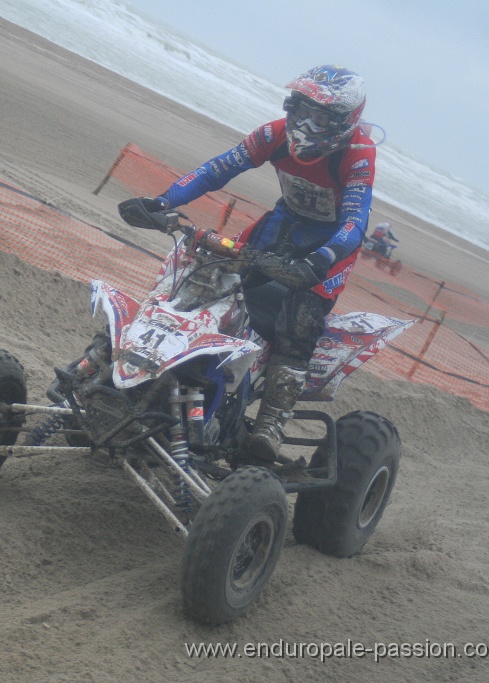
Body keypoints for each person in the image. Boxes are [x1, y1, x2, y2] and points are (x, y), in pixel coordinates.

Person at [119, 65, 377, 466]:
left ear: (345, 121)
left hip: (328, 246)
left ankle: (270, 423)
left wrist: (325, 257)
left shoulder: (358, 155)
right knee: (207, 281)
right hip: (280, 226)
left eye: (322, 117)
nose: (307, 125)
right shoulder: (273, 134)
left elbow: (355, 221)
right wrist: (164, 201)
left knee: (297, 327)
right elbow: (219, 168)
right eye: (302, 111)